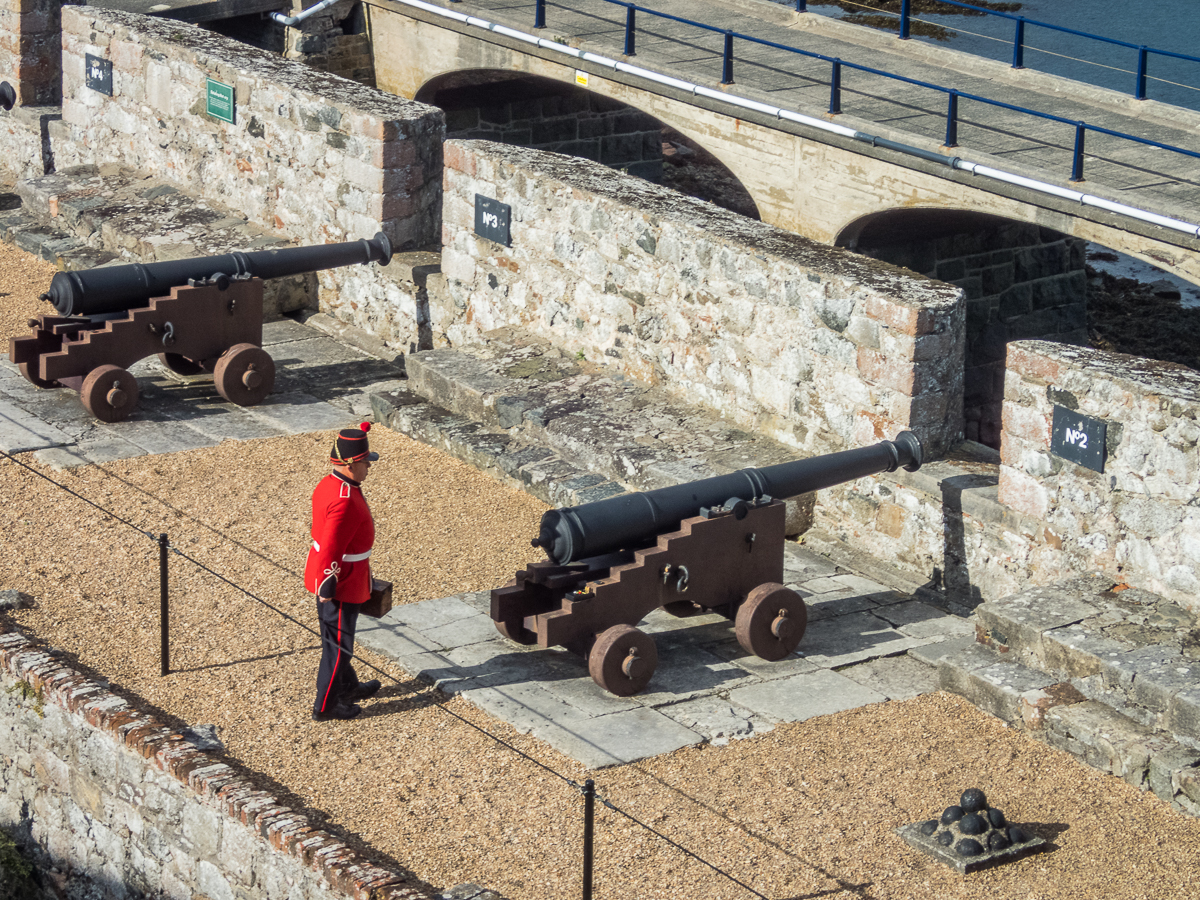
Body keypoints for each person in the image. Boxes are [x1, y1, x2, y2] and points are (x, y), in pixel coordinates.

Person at [304, 422, 383, 722]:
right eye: (364, 462)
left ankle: (348, 686)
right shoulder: (344, 499)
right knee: (339, 647)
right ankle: (325, 706)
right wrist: (328, 582)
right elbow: (331, 546)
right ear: (350, 464)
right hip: (341, 580)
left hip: (348, 571)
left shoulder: (331, 484)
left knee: (336, 640)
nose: (367, 467)